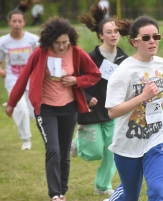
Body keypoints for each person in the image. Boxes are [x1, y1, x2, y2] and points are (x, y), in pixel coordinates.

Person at [5, 16, 101, 201]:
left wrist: (77, 80)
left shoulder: (76, 52)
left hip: (69, 108)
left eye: (65, 42)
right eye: (57, 43)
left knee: (64, 153)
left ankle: (62, 190)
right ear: (50, 41)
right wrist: (12, 103)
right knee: (53, 149)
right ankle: (55, 194)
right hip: (46, 109)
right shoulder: (40, 53)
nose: (62, 46)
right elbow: (23, 77)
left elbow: (94, 74)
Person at [103, 15, 163, 201]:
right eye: (146, 38)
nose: (152, 41)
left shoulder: (159, 63)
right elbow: (112, 111)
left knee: (157, 191)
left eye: (156, 37)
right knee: (130, 197)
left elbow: (155, 89)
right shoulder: (124, 71)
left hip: (157, 136)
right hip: (129, 142)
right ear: (135, 42)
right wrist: (142, 97)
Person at [71, 4, 128, 196]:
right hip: (90, 110)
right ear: (100, 35)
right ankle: (78, 143)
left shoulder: (123, 59)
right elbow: (75, 81)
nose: (113, 35)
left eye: (116, 32)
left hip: (113, 111)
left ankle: (102, 186)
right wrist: (86, 98)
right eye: (109, 32)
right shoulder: (89, 57)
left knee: (112, 150)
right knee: (94, 152)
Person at [0, 2, 39, 150]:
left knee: (32, 112)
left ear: (24, 22)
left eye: (20, 21)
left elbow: (42, 58)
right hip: (13, 80)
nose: (17, 24)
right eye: (14, 21)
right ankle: (26, 140)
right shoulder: (3, 42)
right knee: (22, 110)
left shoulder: (33, 39)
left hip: (31, 80)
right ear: (9, 23)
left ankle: (12, 105)